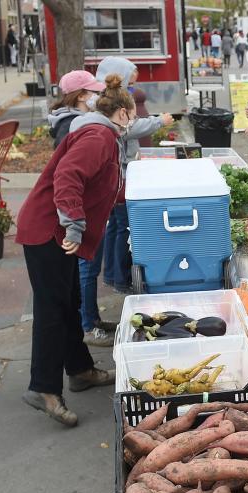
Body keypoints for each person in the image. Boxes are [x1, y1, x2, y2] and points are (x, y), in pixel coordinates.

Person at [15, 74, 135, 427]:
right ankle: (44, 389)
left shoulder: (104, 137)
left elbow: (106, 187)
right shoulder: (98, 136)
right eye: (134, 116)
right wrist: (74, 224)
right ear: (124, 113)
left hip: (58, 233)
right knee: (53, 309)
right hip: (49, 232)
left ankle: (80, 370)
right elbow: (68, 176)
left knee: (68, 304)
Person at [89, 56, 173, 325]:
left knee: (116, 226)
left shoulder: (110, 99)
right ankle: (120, 276)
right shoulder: (113, 109)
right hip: (120, 175)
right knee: (122, 225)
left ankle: (114, 275)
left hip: (120, 172)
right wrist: (160, 122)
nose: (136, 77)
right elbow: (129, 129)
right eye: (133, 73)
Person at [47, 71, 105, 148]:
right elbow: (64, 154)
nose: (99, 96)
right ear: (80, 96)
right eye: (95, 92)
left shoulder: (84, 119)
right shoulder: (69, 124)